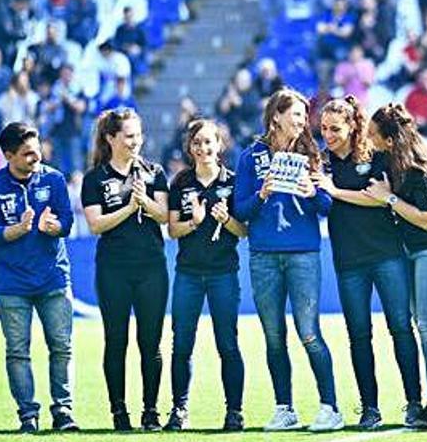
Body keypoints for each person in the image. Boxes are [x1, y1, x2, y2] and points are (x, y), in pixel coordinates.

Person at [234, 88, 343, 432]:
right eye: (295, 114)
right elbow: (241, 210)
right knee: (273, 336)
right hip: (263, 254)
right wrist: (261, 194)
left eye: (303, 115)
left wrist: (314, 194)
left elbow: (328, 207)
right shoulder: (250, 157)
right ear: (276, 116)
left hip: (303, 254)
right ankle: (285, 409)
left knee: (309, 332)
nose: (301, 121)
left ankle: (330, 408)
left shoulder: (313, 154)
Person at [312, 96, 423, 429]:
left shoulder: (375, 156)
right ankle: (370, 408)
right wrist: (316, 188)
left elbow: (381, 199)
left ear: (351, 126)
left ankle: (414, 403)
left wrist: (334, 190)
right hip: (349, 261)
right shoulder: (321, 163)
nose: (328, 135)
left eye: (334, 128)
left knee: (401, 328)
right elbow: (322, 203)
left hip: (387, 254)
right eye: (323, 128)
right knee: (358, 336)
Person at [364, 103, 427, 429]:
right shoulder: (391, 160)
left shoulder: (419, 168)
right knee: (426, 324)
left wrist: (389, 198)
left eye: (372, 135)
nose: (368, 141)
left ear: (390, 140)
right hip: (417, 250)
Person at [0, 122, 78, 433]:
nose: (37, 157)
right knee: (18, 351)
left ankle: (63, 412)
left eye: (38, 150)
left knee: (62, 347)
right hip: (12, 284)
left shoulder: (55, 179)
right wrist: (17, 230)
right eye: (28, 154)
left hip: (53, 278)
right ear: (8, 155)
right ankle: (28, 415)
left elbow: (68, 221)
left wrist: (55, 227)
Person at [81, 108, 170, 431]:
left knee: (151, 342)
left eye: (138, 135)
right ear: (111, 138)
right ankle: (119, 412)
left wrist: (143, 203)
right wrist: (128, 207)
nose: (136, 142)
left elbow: (164, 216)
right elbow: (94, 224)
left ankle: (151, 411)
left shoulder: (153, 171)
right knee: (115, 340)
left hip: (151, 267)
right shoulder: (96, 178)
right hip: (113, 268)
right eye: (129, 136)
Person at [164, 120, 247, 431]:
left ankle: (234, 412)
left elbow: (243, 231)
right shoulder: (181, 182)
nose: (203, 148)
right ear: (190, 147)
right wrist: (196, 222)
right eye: (197, 143)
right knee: (182, 344)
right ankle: (179, 410)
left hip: (223, 273)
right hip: (188, 273)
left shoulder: (234, 182)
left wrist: (226, 221)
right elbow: (173, 231)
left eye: (208, 142)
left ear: (219, 145)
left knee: (227, 343)